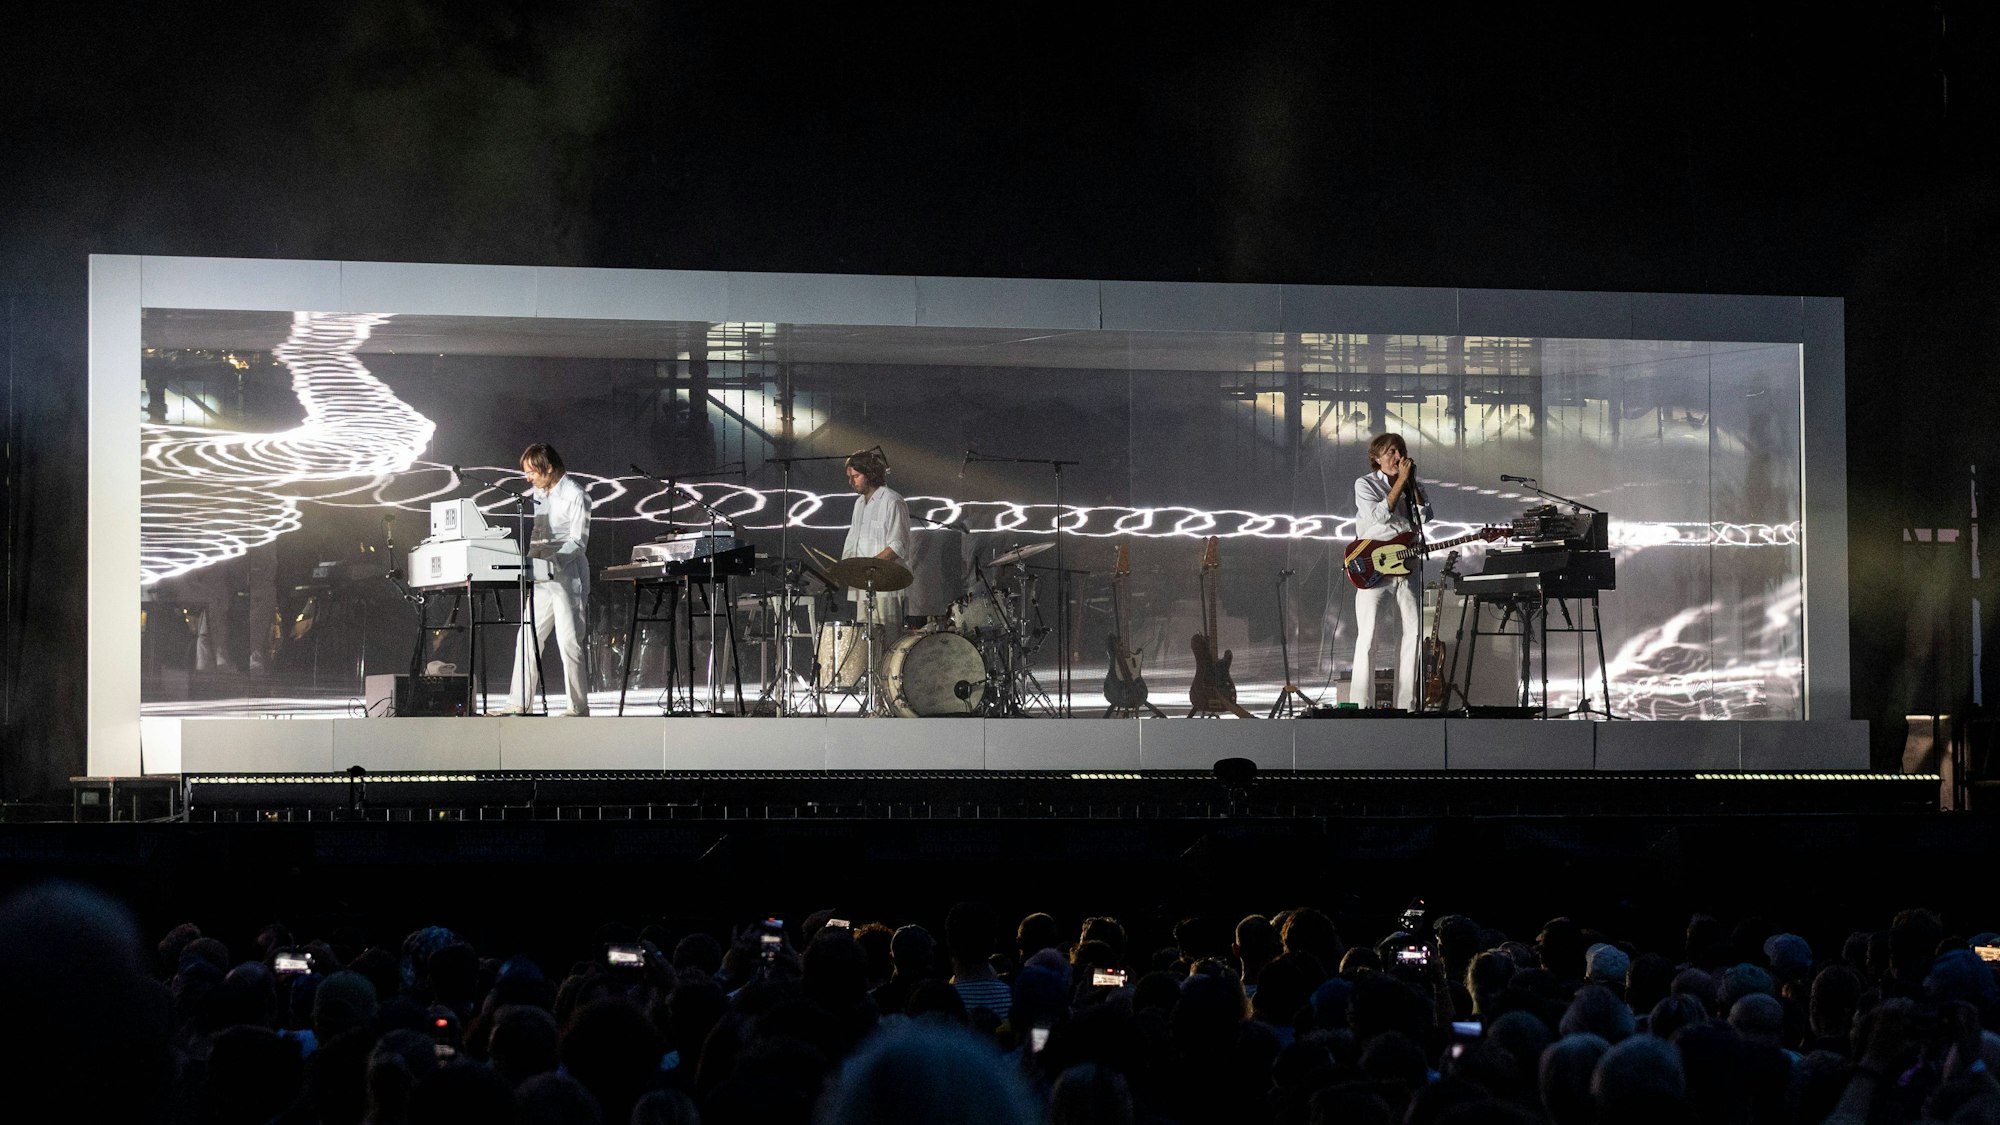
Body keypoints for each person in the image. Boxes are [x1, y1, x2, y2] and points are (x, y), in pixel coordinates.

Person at [505, 442, 592, 716]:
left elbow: (578, 542)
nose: (528, 477)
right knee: (526, 637)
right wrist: (529, 563)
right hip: (542, 574)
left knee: (569, 641)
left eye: (532, 472)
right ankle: (519, 702)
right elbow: (537, 534)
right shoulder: (539, 494)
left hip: (568, 575)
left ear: (549, 468)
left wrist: (551, 561)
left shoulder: (577, 495)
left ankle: (577, 707)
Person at [1348, 433, 1431, 709]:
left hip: (1407, 566)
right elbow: (1380, 515)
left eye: (1400, 451)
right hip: (1374, 567)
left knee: (1414, 633)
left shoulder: (1410, 484)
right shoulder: (1365, 484)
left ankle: (1408, 704)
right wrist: (1399, 486)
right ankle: (1361, 705)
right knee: (1368, 636)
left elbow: (1426, 515)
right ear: (1376, 457)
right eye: (1391, 452)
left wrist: (1412, 485)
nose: (1398, 457)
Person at [840, 447, 912, 628]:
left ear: (870, 474)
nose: (851, 482)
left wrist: (869, 567)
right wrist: (843, 569)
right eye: (850, 477)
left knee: (888, 640)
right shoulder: (858, 504)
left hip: (886, 585)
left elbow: (898, 545)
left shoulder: (892, 500)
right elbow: (852, 541)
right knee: (865, 644)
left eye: (855, 476)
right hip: (862, 584)